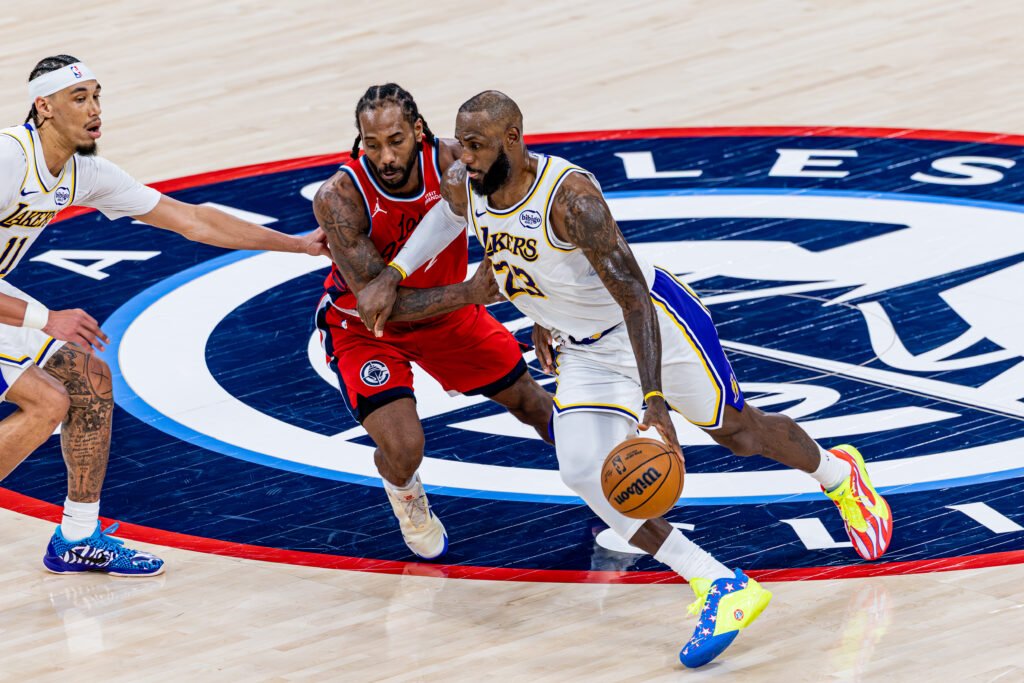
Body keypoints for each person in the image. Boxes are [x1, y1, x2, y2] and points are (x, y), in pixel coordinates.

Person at [356, 90, 894, 667]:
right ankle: (717, 583)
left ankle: (840, 475)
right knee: (583, 468)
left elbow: (634, 297)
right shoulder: (470, 179)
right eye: (462, 145)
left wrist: (655, 402)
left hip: (649, 324)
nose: (466, 159)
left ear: (514, 139)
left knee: (739, 434)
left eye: (479, 146)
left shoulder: (572, 201)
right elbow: (450, 216)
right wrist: (396, 271)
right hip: (583, 347)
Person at [0, 55, 330, 577]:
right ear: (43, 106)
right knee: (47, 403)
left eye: (96, 96)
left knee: (88, 381)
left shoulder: (82, 171)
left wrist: (295, 245)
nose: (95, 110)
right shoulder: (8, 158)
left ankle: (78, 537)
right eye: (79, 98)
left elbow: (193, 220)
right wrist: (45, 318)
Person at [312, 84, 552, 560]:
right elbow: (379, 305)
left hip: (449, 318)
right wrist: (468, 292)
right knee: (404, 448)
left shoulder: (458, 165)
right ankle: (406, 497)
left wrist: (542, 312)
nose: (385, 156)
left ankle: (606, 484)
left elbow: (525, 225)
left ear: (418, 130)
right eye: (372, 144)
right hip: (366, 329)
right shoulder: (339, 198)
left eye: (396, 140)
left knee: (536, 406)